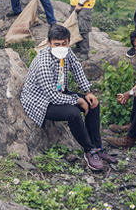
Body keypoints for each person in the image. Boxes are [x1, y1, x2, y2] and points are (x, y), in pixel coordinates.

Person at [20, 24, 117, 171]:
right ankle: (89, 150)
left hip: (59, 93)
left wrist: (87, 92)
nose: (61, 47)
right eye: (56, 44)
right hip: (40, 101)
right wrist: (78, 100)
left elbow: (76, 67)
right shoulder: (43, 62)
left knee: (93, 104)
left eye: (64, 44)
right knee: (73, 113)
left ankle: (98, 148)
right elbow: (52, 97)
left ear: (69, 42)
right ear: (48, 43)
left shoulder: (67, 51)